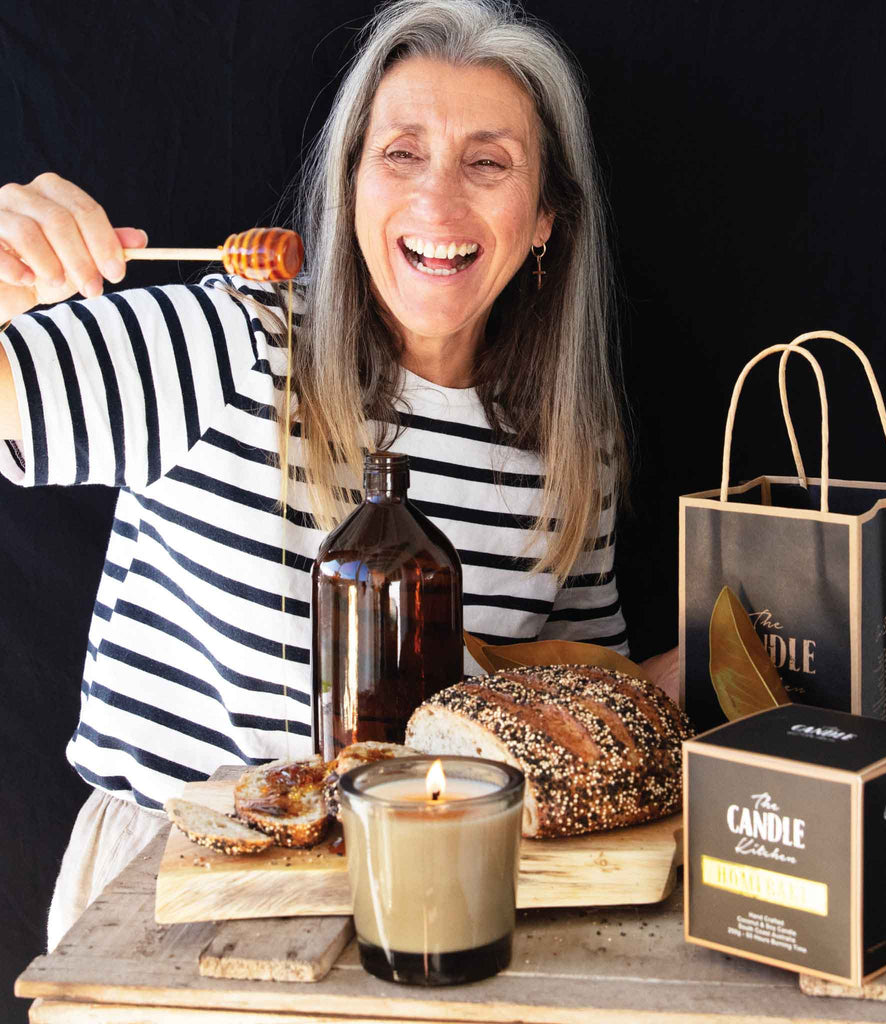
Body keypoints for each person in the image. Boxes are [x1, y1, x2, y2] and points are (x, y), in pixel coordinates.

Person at [0, 0, 676, 951]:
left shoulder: (571, 449)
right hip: (171, 897)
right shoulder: (228, 343)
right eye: (400, 153)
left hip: (442, 894)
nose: (438, 203)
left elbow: (563, 706)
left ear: (545, 224)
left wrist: (743, 658)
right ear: (351, 185)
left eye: (488, 163)